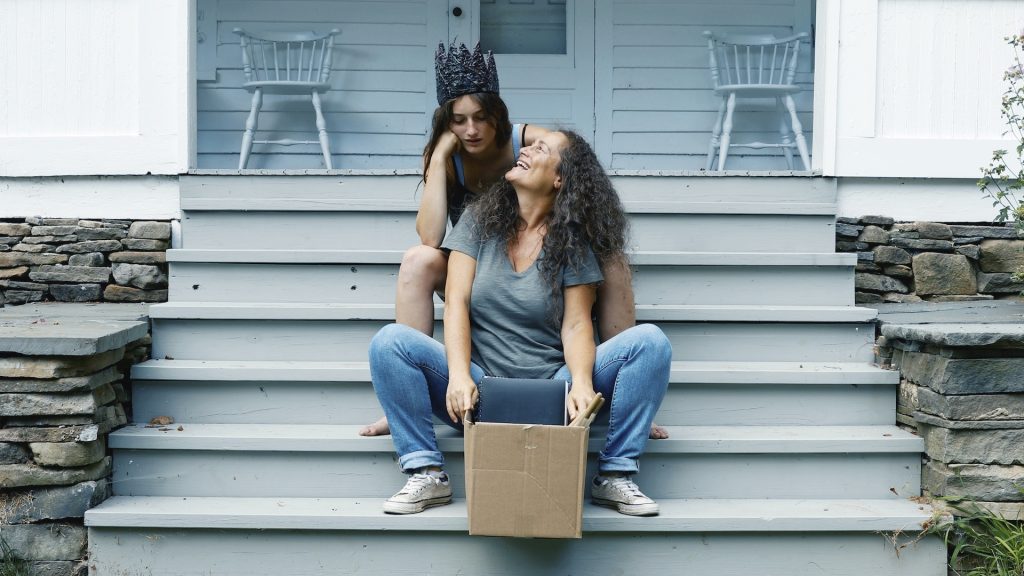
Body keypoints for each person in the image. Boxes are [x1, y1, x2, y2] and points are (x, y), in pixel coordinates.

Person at [360, 42, 665, 439]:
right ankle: (407, 391)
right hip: (477, 251)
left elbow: (574, 167)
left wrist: (585, 378)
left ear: (497, 116)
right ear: (446, 122)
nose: (470, 130)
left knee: (610, 261)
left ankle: (629, 389)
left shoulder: (528, 142)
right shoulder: (446, 159)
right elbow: (433, 240)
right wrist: (438, 157)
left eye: (480, 118)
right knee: (418, 260)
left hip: (544, 251)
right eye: (459, 120)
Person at [369, 130, 671, 517]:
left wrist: (580, 382)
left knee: (650, 342)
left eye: (541, 149)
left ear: (561, 179)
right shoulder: (480, 219)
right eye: (529, 145)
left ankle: (614, 475)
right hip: (479, 393)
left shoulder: (571, 241)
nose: (525, 149)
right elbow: (456, 303)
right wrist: (459, 376)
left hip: (554, 393)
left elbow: (577, 325)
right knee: (390, 342)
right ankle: (426, 472)